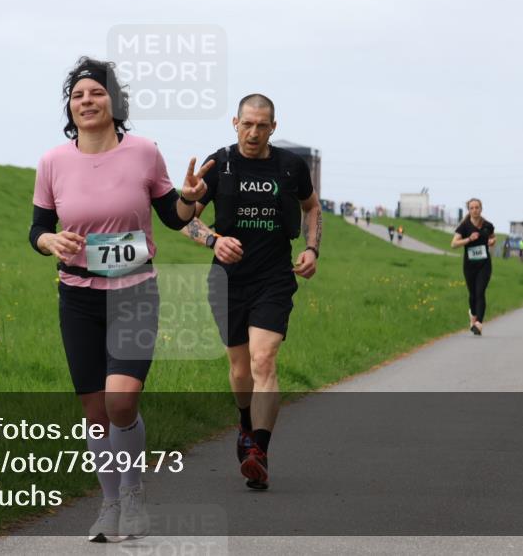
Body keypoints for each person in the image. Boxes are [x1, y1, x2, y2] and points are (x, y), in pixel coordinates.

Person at [29, 56, 210, 542]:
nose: (86, 101)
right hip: (77, 295)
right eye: (78, 95)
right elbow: (38, 229)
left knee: (121, 400)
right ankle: (109, 505)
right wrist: (50, 243)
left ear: (115, 102)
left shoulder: (144, 152)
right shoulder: (52, 162)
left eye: (96, 93)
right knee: (94, 412)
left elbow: (173, 217)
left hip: (133, 289)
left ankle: (133, 493)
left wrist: (191, 198)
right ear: (70, 108)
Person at [179, 93, 320, 491]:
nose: (254, 132)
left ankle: (259, 451)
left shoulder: (291, 167)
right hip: (227, 279)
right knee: (240, 369)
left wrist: (311, 248)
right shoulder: (218, 164)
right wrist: (212, 241)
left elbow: (311, 207)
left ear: (274, 127)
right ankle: (244, 423)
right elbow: (186, 220)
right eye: (247, 124)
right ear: (234, 123)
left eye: (262, 125)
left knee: (264, 359)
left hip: (274, 278)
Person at [451, 198, 496, 336]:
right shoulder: (464, 226)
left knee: (480, 291)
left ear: (481, 209)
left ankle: (479, 324)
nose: (475, 210)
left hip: (484, 264)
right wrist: (469, 239)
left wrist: (492, 241)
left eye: (477, 207)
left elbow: (493, 238)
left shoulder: (488, 225)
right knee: (472, 294)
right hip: (470, 265)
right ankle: (473, 314)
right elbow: (453, 244)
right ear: (469, 210)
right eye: (472, 208)